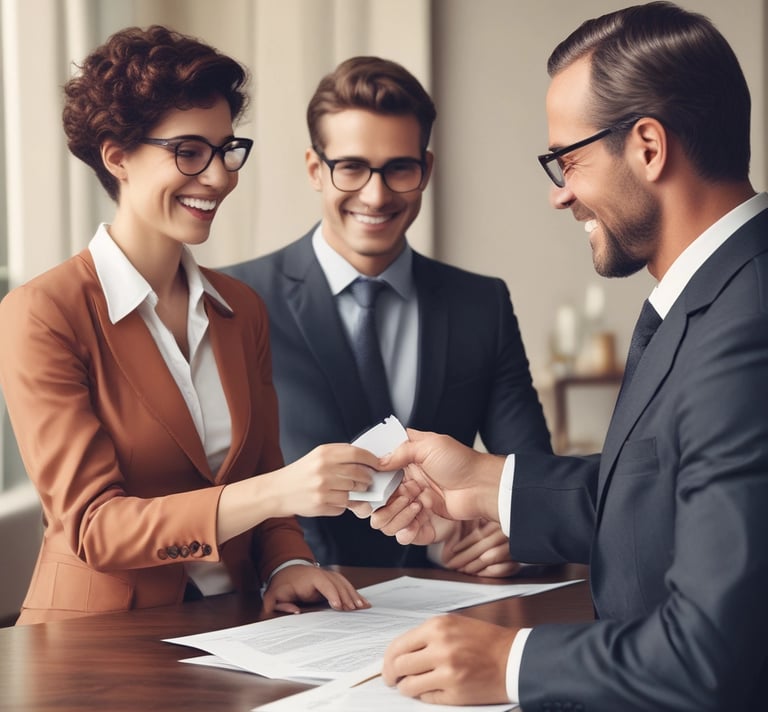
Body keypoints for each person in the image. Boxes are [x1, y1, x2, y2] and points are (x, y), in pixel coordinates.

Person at [367, 3, 768, 709]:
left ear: (647, 146)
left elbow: (713, 651)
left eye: (568, 159)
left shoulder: (749, 324)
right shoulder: (717, 293)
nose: (560, 194)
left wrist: (512, 661)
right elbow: (669, 490)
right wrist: (487, 485)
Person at [0, 25, 379, 625]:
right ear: (117, 155)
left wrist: (286, 564)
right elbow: (95, 528)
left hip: (230, 626)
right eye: (189, 152)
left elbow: (259, 471)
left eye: (227, 150)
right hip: (94, 644)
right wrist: (281, 490)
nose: (221, 176)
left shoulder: (241, 308)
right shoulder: (43, 313)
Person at [222, 56, 552, 570]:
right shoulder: (238, 297)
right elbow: (223, 481)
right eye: (351, 167)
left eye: (399, 168)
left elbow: (531, 474)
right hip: (292, 606)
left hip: (451, 607)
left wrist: (518, 529)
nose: (376, 196)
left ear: (426, 170)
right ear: (315, 169)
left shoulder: (480, 303)